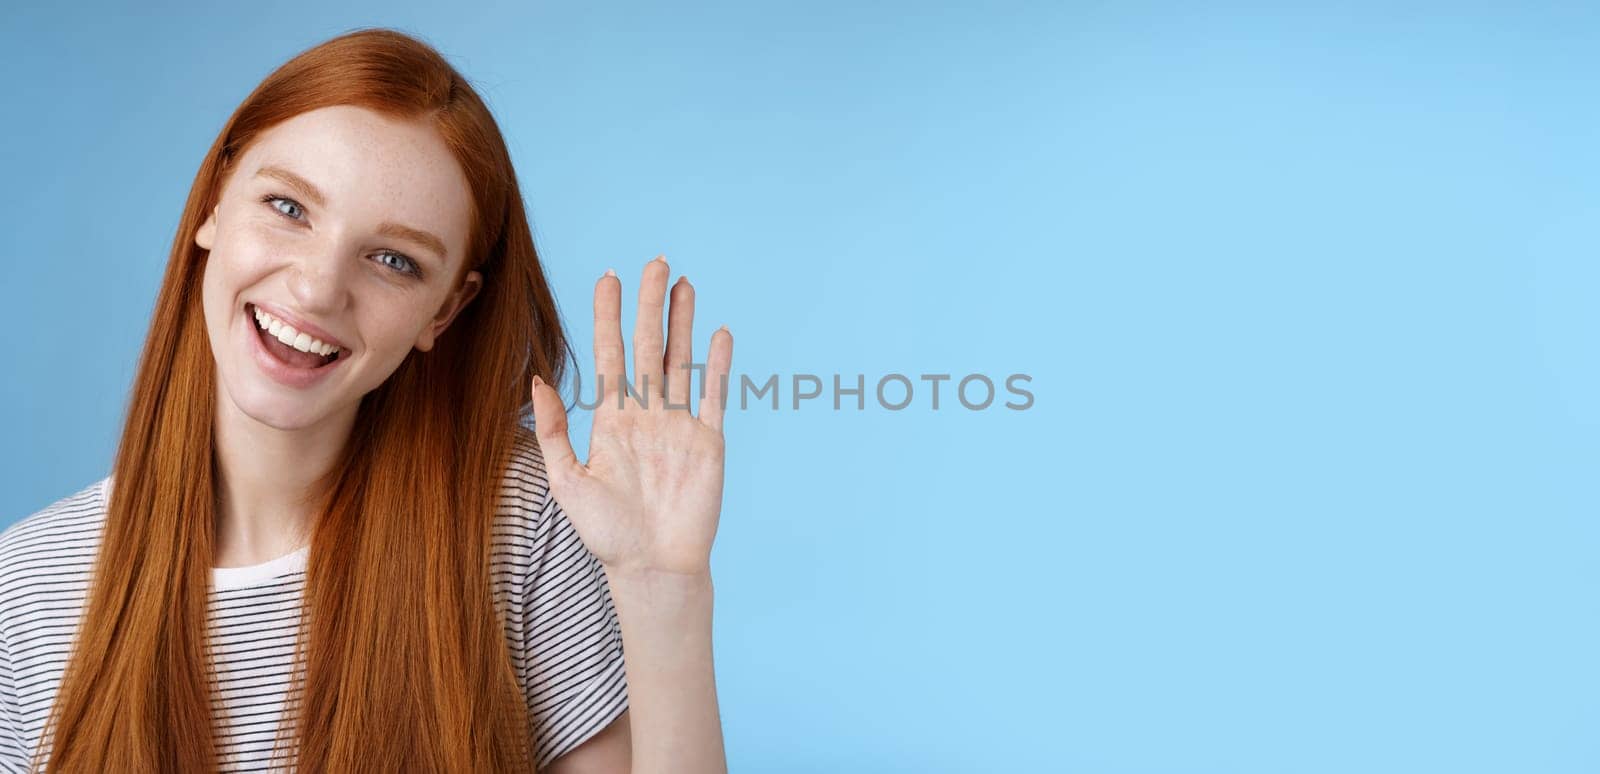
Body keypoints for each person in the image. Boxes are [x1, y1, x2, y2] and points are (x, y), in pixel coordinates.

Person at [0, 27, 732, 773]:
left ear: (443, 313)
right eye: (288, 208)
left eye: (393, 261)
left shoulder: (518, 524)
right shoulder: (27, 590)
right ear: (215, 204)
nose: (318, 288)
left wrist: (665, 591)